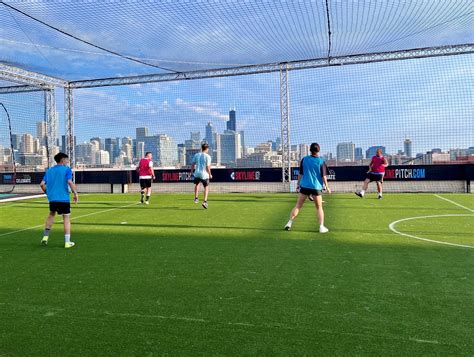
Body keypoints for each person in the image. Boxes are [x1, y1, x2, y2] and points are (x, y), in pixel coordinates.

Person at [285, 143, 331, 233]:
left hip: (304, 186)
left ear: (310, 150)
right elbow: (324, 176)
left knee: (298, 206)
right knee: (319, 208)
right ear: (318, 150)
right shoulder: (321, 161)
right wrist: (327, 187)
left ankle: (289, 223)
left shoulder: (304, 159)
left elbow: (300, 174)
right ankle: (321, 227)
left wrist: (298, 185)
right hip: (316, 187)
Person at [40, 152, 78, 248]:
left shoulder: (49, 171)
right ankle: (67, 242)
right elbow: (69, 181)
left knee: (51, 214)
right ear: (62, 160)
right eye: (66, 160)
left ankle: (45, 236)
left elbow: (42, 184)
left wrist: (48, 193)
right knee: (66, 218)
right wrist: (75, 193)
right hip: (63, 198)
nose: (67, 162)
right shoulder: (67, 170)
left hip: (52, 199)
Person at [191, 143, 212, 209]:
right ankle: (205, 202)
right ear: (207, 149)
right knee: (206, 187)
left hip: (197, 173)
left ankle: (196, 198)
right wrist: (210, 174)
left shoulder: (196, 155)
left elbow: (193, 164)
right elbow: (208, 167)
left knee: (197, 184)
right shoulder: (208, 156)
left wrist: (191, 172)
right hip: (204, 174)